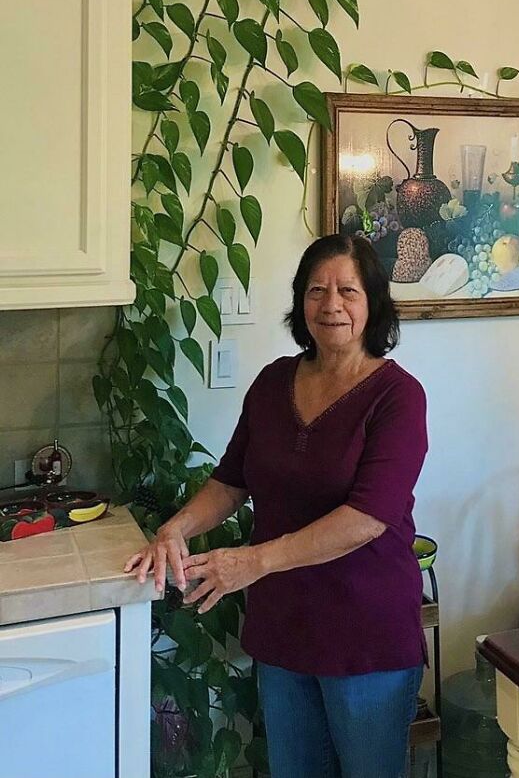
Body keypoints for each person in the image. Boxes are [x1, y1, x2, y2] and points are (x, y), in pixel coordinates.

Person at [125, 233, 429, 778]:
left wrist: (256, 561)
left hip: (365, 634)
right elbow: (230, 481)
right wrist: (175, 529)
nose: (331, 304)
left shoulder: (397, 396)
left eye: (347, 291)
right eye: (316, 290)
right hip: (284, 626)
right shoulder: (272, 383)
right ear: (300, 301)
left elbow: (368, 517)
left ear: (373, 303)